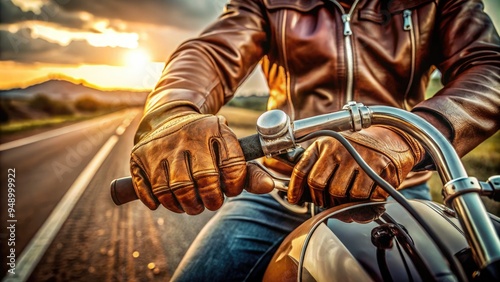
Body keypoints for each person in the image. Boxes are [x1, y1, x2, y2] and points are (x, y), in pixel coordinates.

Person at [129, 0, 500, 280]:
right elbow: (212, 51)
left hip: (395, 187)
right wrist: (173, 111)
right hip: (278, 192)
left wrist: (399, 138)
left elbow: (489, 65)